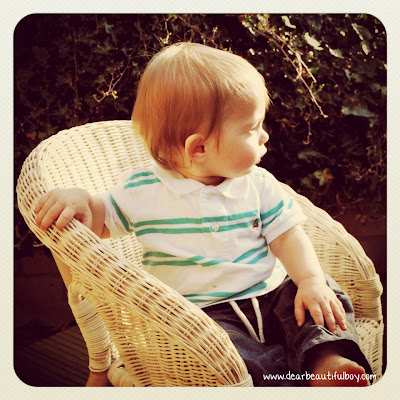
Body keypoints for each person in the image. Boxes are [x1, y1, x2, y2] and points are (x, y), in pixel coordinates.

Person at [35, 42, 372, 387]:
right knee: (224, 357)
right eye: (252, 128)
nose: (265, 136)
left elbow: (288, 236)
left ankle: (325, 360)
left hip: (272, 296)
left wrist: (310, 281)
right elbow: (100, 220)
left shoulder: (258, 183)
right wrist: (79, 199)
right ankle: (283, 379)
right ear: (199, 148)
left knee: (323, 297)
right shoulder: (141, 190)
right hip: (203, 318)